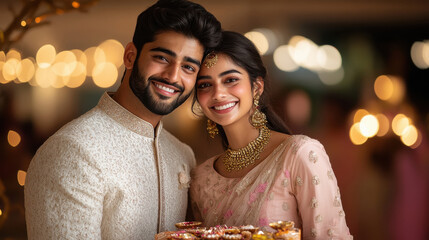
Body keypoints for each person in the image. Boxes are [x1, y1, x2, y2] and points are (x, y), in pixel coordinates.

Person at [24, 0, 222, 239]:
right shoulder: (72, 150)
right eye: (162, 58)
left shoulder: (181, 154)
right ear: (130, 56)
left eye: (189, 68)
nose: (173, 76)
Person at [190, 31, 353, 239]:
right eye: (205, 84)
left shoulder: (299, 154)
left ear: (256, 87)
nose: (218, 93)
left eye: (230, 79)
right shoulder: (201, 178)